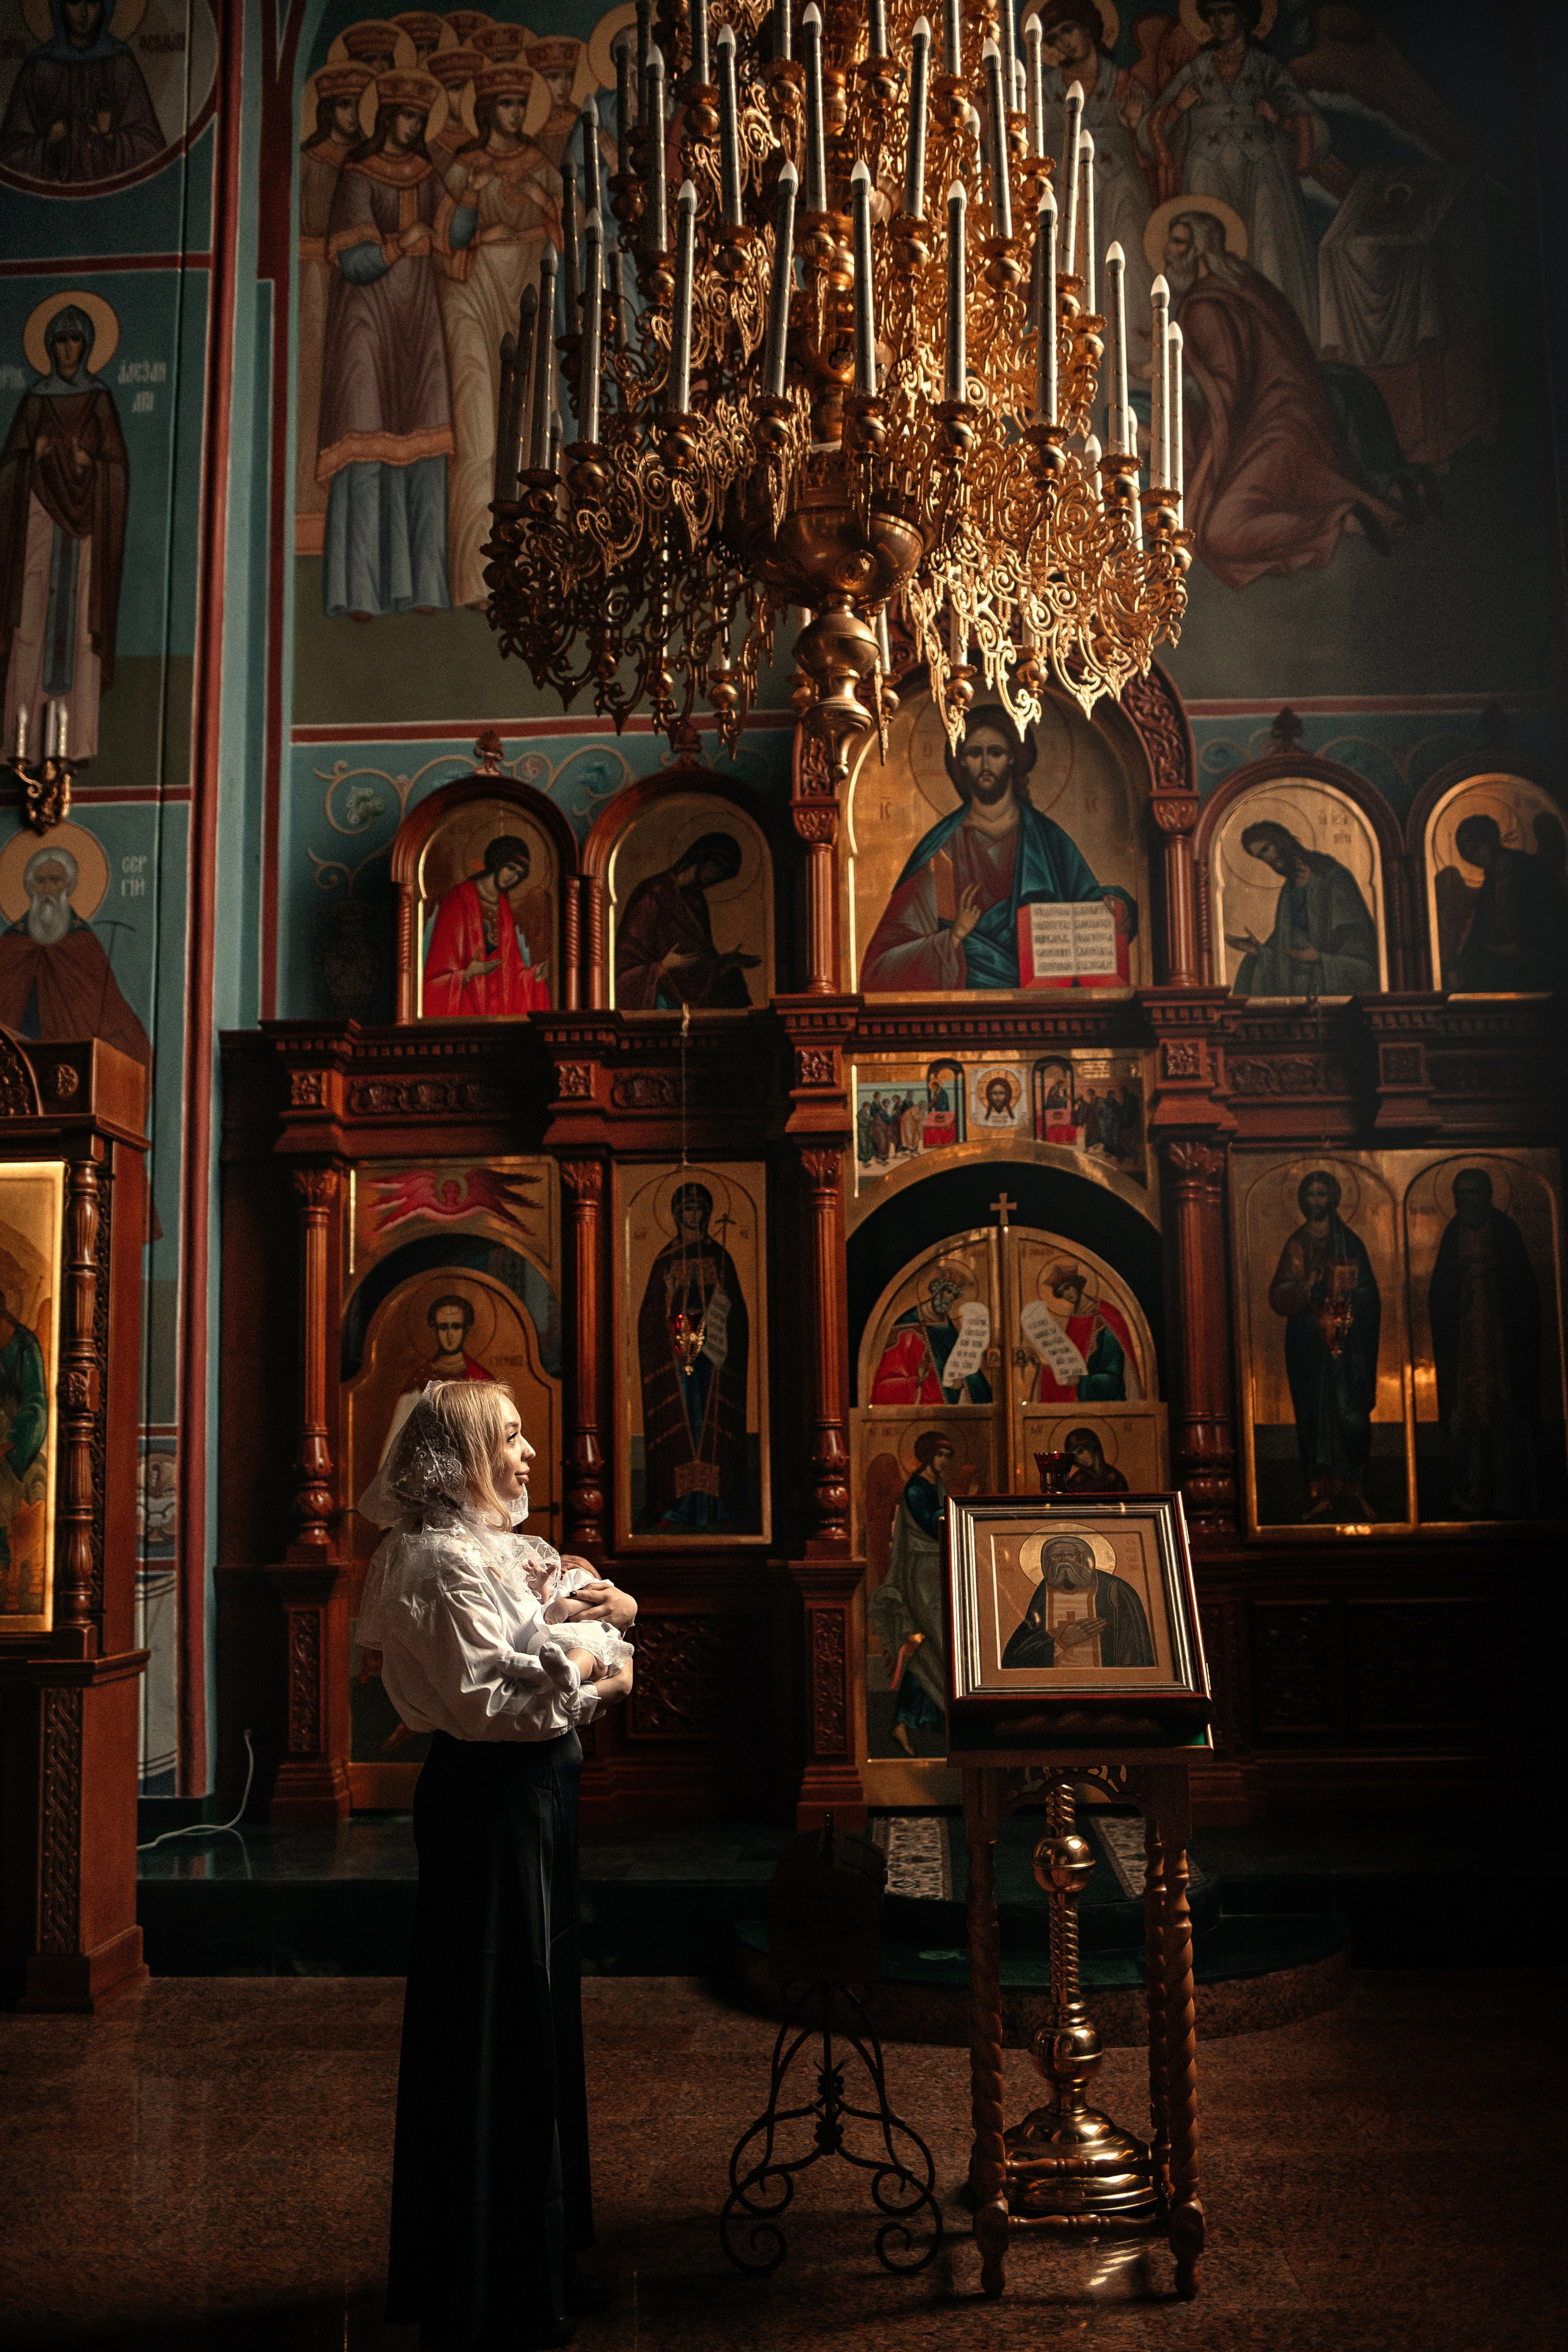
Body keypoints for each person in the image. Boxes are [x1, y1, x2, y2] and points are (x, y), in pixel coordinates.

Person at [357, 1381, 635, 2350]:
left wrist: (594, 1642)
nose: (528, 1455)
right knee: (490, 2023)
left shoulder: (506, 1552)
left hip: (539, 1800)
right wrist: (597, 1666)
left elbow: (594, 1627)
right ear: (463, 1452)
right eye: (510, 1438)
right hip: (488, 1806)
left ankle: (542, 2259)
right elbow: (491, 1703)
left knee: (538, 2021)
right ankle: (484, 2284)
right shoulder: (433, 1565)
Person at [1159, 207, 1400, 589]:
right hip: (1299, 415)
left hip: (1268, 429)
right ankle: (1344, 511)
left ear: (1201, 250)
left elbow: (1226, 388)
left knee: (1217, 533)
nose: (1168, 253)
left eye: (1177, 243)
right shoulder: (1247, 283)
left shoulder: (1204, 306)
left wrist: (1164, 373)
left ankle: (1340, 518)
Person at [317, 71, 477, 619]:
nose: (413, 127)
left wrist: (469, 198)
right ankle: (360, 590)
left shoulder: (425, 172)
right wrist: (397, 246)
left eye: (419, 118)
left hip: (418, 323)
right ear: (387, 118)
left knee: (427, 454)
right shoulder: (357, 176)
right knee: (366, 454)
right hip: (366, 326)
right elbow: (354, 262)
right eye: (407, 117)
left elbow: (453, 235)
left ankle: (426, 586)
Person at [859, 704, 1133, 992]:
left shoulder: (1048, 840)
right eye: (975, 754)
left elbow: (1089, 904)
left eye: (996, 753)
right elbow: (882, 966)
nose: (986, 764)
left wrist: (1115, 905)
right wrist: (952, 938)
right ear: (962, 762)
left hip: (1045, 1004)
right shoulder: (942, 850)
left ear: (1013, 760)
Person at [437, 64, 562, 607]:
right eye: (507, 104)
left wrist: (542, 205)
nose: (515, 113)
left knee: (534, 424)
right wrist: (472, 198)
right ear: (488, 109)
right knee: (478, 433)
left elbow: (570, 236)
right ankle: (471, 574)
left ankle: (539, 570)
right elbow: (451, 238)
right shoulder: (466, 166)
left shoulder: (542, 167)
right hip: (474, 295)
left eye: (521, 103)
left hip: (529, 294)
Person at [1147, 0, 1327, 341]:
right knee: (1211, 256)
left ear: (1245, 16)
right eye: (1211, 14)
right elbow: (1150, 131)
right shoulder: (1196, 71)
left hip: (1262, 172)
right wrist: (1176, 111)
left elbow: (1315, 128)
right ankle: (1217, 341)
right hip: (1205, 172)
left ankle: (1276, 339)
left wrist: (1280, 119)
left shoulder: (1267, 69)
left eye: (1226, 11)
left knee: (1268, 247)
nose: (1218, 21)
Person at [1, 302, 128, 762]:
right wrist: (30, 458)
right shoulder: (35, 401)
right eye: (60, 340)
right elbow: (9, 467)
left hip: (84, 529)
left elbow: (116, 467)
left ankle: (76, 741)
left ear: (88, 346)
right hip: (37, 521)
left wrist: (89, 465)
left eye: (76, 340)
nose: (68, 349)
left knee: (77, 624)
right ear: (49, 347)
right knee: (30, 618)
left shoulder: (99, 399)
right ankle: (21, 741)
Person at [635, 1182, 752, 1531]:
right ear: (674, 1214)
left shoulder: (721, 1256)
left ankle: (716, 1505)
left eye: (699, 1208)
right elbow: (649, 1317)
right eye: (687, 1208)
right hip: (675, 1356)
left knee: (711, 1426)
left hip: (714, 1356)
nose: (693, 1215)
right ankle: (679, 1507)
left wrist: (721, 1316)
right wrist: (668, 1313)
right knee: (682, 1426)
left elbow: (739, 1315)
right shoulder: (665, 1260)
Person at [1428, 1169, 1542, 1519]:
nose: (1467, 1199)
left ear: (1489, 1194)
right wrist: (1459, 1283)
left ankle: (1510, 1491)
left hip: (1501, 1345)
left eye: (1474, 1192)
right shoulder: (1453, 1233)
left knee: (1505, 1414)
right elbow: (1439, 1292)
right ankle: (1469, 1491)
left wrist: (1494, 1281)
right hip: (1464, 1350)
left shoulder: (1505, 1231)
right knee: (1467, 1418)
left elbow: (1524, 1290)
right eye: (1461, 1193)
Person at [1267, 1169, 1380, 1521]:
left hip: (1347, 1344)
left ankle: (1356, 1488)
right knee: (1314, 1417)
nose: (1317, 1201)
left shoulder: (1350, 1242)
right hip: (1308, 1344)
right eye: (1311, 1195)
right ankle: (1320, 1491)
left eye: (1323, 1194)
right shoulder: (1297, 1244)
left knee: (1351, 1414)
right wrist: (1308, 1286)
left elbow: (1369, 1293)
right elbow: (1280, 1295)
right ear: (1302, 1201)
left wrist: (1348, 1295)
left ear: (1334, 1199)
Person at [296, 67, 374, 554]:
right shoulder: (309, 160)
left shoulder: (368, 164)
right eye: (342, 106)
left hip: (360, 288)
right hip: (314, 284)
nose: (350, 116)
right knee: (314, 389)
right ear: (327, 111)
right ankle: (310, 509)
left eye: (355, 105)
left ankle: (358, 516)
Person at [1038, 0, 1155, 321]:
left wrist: (1136, 123)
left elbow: (1156, 144)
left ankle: (1132, 339)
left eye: (1069, 30)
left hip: (1122, 186)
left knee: (1129, 250)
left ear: (1088, 28)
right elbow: (1035, 146)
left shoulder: (1126, 84)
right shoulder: (1045, 91)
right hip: (1070, 188)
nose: (1064, 41)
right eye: (1056, 36)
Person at [0, 845, 151, 1083]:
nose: (48, 889)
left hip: (68, 1071)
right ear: (30, 888)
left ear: (68, 886)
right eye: (40, 882)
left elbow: (110, 1013)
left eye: (55, 880)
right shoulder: (11, 943)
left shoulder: (82, 942)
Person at [0, 0, 163, 186]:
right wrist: (48, 144)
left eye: (92, 3)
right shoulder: (39, 67)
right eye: (75, 2)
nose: (83, 13)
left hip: (113, 198)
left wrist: (109, 137)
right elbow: (10, 154)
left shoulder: (121, 65)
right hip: (49, 202)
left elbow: (152, 149)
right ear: (60, 6)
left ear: (105, 8)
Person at [866, 1431, 954, 1755]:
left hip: (937, 1569)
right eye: (941, 1455)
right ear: (928, 1456)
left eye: (948, 1456)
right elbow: (933, 1523)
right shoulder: (917, 1489)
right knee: (941, 1644)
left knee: (933, 1650)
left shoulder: (938, 1487)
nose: (945, 1461)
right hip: (922, 1573)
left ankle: (904, 1723)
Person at [1227, 819, 1379, 998]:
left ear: (1280, 841)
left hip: (1332, 978)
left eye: (1266, 849)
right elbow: (1289, 941)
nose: (1268, 860)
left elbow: (1356, 943)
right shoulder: (1290, 888)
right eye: (1260, 857)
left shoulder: (1331, 875)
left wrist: (1320, 958)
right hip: (1301, 985)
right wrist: (1259, 951)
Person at [614, 833, 761, 1009]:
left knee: (732, 978)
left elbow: (700, 957)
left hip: (688, 984)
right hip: (660, 986)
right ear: (700, 856)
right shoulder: (653, 894)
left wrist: (727, 961)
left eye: (724, 873)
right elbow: (627, 955)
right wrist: (662, 966)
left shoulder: (696, 902)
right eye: (717, 864)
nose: (717, 874)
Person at [423, 834, 550, 1016]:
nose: (513, 878)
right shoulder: (459, 901)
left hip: (499, 1009)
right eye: (511, 868)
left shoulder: (503, 908)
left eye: (519, 875)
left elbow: (514, 970)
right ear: (498, 861)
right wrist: (467, 974)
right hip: (466, 1007)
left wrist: (534, 975)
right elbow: (437, 973)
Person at [1444, 814, 1568, 994]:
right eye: (1467, 854)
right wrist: (1456, 966)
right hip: (1501, 962)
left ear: (1490, 840)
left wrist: (1524, 948)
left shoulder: (1531, 870)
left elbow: (1555, 920)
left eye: (1476, 847)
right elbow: (1479, 934)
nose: (1474, 856)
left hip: (1538, 963)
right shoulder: (1490, 883)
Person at [1001, 1533, 1154, 1670]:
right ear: (1047, 1563)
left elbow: (1134, 1648)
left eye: (1069, 1555)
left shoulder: (1114, 1590)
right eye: (1056, 1556)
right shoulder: (1045, 1592)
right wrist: (1061, 1642)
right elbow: (1016, 1658)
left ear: (1083, 1557)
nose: (1063, 1561)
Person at [870, 1261, 992, 1404]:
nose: (950, 1298)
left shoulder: (949, 1328)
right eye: (948, 1291)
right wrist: (916, 1382)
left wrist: (964, 1382)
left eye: (954, 1296)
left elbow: (965, 1368)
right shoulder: (907, 1327)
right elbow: (883, 1387)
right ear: (937, 1289)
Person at [1026, 1263, 1139, 1403]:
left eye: (1068, 1288)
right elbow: (1069, 1364)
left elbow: (1113, 1377)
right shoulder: (1074, 1318)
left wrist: (1081, 1381)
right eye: (1062, 1293)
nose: (1067, 1295)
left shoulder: (1104, 1317)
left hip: (1101, 1397)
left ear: (1077, 1285)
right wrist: (1041, 1366)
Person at [0, 1285, 48, 1586]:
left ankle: (4, 1561)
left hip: (20, 1436)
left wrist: (12, 1442)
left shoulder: (25, 1346)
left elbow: (35, 1404)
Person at [1059, 1427, 1129, 1493]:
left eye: (1081, 1451)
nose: (1079, 1458)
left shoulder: (1115, 1477)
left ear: (1094, 1448)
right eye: (1075, 1456)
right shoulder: (1077, 1480)